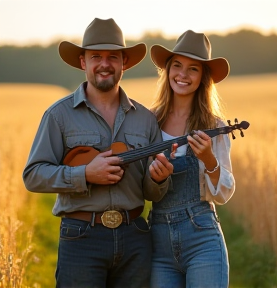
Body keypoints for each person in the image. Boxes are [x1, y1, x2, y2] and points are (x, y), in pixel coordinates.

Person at [22, 18, 173, 288]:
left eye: (113, 57)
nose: (105, 64)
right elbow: (33, 175)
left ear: (124, 63)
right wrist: (85, 174)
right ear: (83, 62)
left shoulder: (146, 120)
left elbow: (150, 193)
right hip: (81, 238)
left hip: (135, 238)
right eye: (96, 57)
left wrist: (159, 180)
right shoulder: (58, 115)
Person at [149, 30, 236, 288]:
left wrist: (209, 159)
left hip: (202, 238)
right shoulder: (148, 122)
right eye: (177, 66)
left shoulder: (215, 126)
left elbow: (223, 194)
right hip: (158, 241)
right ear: (167, 71)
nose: (183, 75)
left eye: (193, 69)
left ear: (202, 78)